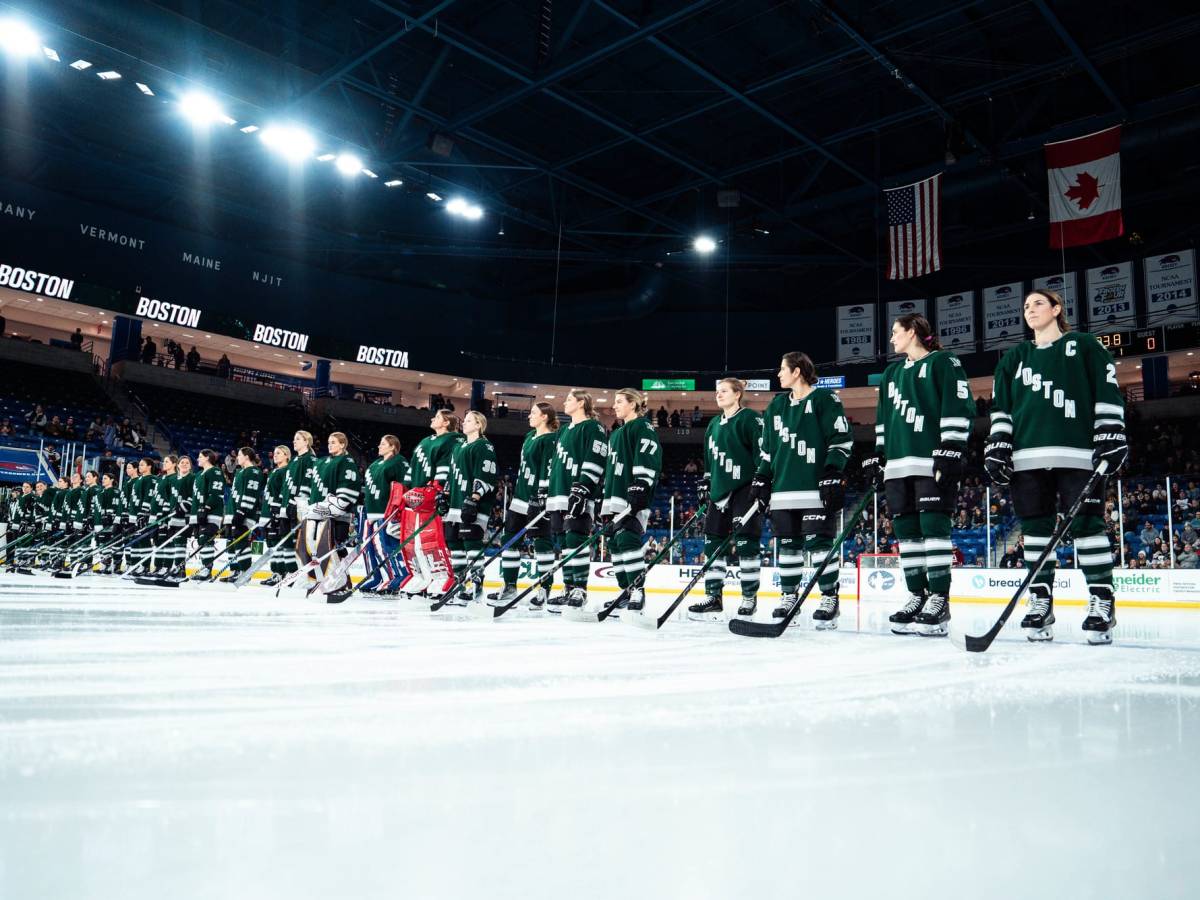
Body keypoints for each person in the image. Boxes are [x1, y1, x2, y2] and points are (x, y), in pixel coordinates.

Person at [984, 289, 1127, 644]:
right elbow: (1001, 407)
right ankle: (1040, 600)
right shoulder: (1014, 357)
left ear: (1057, 309)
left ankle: (1101, 601)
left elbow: (1106, 389)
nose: (1030, 310)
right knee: (1034, 531)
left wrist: (1111, 431)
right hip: (1027, 458)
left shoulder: (1084, 346)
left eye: (1037, 304)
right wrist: (998, 443)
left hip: (1078, 455)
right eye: (1026, 307)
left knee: (1087, 525)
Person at [864, 314, 975, 637]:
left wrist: (952, 445)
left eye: (896, 332)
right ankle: (918, 594)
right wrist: (878, 454)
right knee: (908, 533)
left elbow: (959, 404)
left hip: (931, 461)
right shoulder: (891, 373)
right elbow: (883, 417)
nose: (892, 338)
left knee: (933, 528)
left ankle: (939, 597)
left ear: (913, 333)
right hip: (898, 466)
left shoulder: (943, 362)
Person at [750, 352, 853, 625]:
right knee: (788, 547)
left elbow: (841, 439)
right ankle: (789, 595)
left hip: (814, 489)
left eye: (783, 369)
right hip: (783, 492)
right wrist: (761, 477)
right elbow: (767, 450)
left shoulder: (824, 399)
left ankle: (829, 596)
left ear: (797, 372)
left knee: (819, 546)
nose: (778, 374)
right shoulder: (776, 406)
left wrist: (832, 471)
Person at [688, 377, 764, 620]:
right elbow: (709, 459)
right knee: (712, 543)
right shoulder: (713, 425)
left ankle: (749, 597)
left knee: (746, 542)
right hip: (719, 491)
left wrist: (762, 483)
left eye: (724, 391)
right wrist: (706, 481)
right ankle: (713, 596)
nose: (718, 395)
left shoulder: (750, 419)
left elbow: (762, 453)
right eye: (717, 391)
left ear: (737, 394)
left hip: (745, 488)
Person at [599, 388, 661, 611]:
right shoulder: (616, 433)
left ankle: (637, 590)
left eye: (619, 402)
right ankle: (625, 591)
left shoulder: (642, 426)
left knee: (627, 539)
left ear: (633, 404)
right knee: (615, 545)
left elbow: (649, 456)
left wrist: (641, 484)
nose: (614, 406)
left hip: (631, 495)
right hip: (612, 496)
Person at [545, 389, 608, 608]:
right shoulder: (563, 431)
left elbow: (596, 457)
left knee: (575, 539)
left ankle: (580, 589)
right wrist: (548, 490)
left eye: (569, 399)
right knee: (563, 543)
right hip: (558, 493)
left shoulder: (593, 427)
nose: (565, 402)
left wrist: (583, 487)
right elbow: (555, 464)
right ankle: (569, 587)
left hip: (578, 492)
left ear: (581, 403)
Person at [492, 403, 558, 607]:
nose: (529, 416)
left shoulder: (550, 440)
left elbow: (549, 469)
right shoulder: (530, 437)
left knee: (541, 542)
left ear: (545, 417)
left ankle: (544, 588)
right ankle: (510, 585)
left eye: (533, 413)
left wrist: (543, 494)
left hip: (538, 497)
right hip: (521, 496)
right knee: (509, 539)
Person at [390, 411, 463, 596]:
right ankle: (422, 575)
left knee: (432, 541)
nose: (432, 419)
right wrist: (403, 492)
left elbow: (445, 470)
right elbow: (414, 468)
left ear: (446, 423)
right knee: (415, 542)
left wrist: (438, 491)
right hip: (415, 498)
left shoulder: (451, 440)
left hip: (429, 498)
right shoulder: (425, 441)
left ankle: (442, 576)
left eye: (437, 417)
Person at [444, 411, 498, 604]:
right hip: (455, 505)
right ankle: (461, 585)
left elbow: (486, 474)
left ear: (478, 425)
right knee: (455, 545)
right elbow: (452, 474)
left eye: (468, 421)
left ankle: (476, 585)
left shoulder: (484, 446)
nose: (464, 423)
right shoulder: (459, 447)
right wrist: (446, 495)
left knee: (471, 544)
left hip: (472, 504)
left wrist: (474, 498)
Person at [300, 432, 361, 596]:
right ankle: (328, 579)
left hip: (338, 515)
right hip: (319, 513)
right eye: (329, 442)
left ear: (343, 444)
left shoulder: (346, 462)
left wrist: (334, 506)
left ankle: (341, 581)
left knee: (336, 547)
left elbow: (347, 491)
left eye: (334, 442)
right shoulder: (322, 462)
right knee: (320, 548)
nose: (330, 445)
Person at [358, 435, 409, 595]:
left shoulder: (399, 462)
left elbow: (404, 487)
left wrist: (398, 510)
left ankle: (397, 576)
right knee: (370, 548)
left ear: (393, 446)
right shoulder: (375, 464)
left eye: (383, 444)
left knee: (387, 547)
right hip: (371, 511)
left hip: (387, 512)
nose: (379, 446)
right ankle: (377, 576)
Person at [222, 447, 265, 582]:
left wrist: (241, 511)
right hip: (232, 512)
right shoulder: (240, 472)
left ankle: (245, 572)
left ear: (246, 456)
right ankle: (235, 571)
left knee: (240, 542)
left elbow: (251, 493)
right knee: (231, 543)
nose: (237, 458)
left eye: (239, 455)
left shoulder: (254, 472)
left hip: (243, 513)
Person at [286, 431, 320, 582]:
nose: (294, 442)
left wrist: (298, 501)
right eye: (294, 439)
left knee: (305, 541)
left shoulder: (310, 459)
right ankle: (301, 575)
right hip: (295, 503)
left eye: (298, 439)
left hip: (304, 504)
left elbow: (308, 483)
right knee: (296, 541)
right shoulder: (294, 460)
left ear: (306, 442)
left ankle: (311, 576)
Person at [189, 450, 227, 580]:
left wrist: (206, 507)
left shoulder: (215, 472)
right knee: (201, 541)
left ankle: (207, 569)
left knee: (206, 539)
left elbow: (216, 493)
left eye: (200, 457)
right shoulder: (199, 474)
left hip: (211, 512)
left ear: (207, 458)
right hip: (199, 512)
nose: (198, 459)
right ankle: (204, 566)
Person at [261, 445, 294, 587]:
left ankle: (282, 573)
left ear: (287, 455)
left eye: (279, 453)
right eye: (274, 453)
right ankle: (276, 572)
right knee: (271, 543)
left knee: (278, 542)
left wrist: (277, 510)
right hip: (268, 511)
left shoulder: (286, 471)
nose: (275, 455)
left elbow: (283, 492)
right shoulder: (275, 471)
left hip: (277, 512)